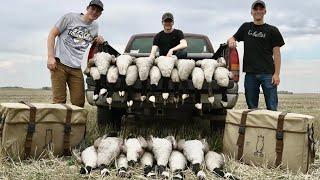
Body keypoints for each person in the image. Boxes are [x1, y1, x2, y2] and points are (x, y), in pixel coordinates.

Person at [228, 0, 285, 111]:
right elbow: (232, 38)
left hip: (268, 74)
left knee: (272, 108)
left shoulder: (273, 30)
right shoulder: (246, 27)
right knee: (252, 109)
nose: (258, 11)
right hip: (250, 75)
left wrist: (277, 74)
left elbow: (277, 54)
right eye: (255, 9)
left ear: (265, 11)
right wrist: (231, 41)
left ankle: (272, 128)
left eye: (260, 9)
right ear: (251, 12)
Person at [47, 0, 105, 107]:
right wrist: (51, 57)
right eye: (93, 9)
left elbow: (90, 40)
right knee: (59, 101)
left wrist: (97, 39)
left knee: (79, 103)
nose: (94, 12)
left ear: (100, 14)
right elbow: (52, 34)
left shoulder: (95, 27)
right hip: (60, 64)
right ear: (87, 8)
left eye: (98, 11)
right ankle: (59, 124)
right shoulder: (70, 18)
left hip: (76, 67)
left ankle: (75, 124)